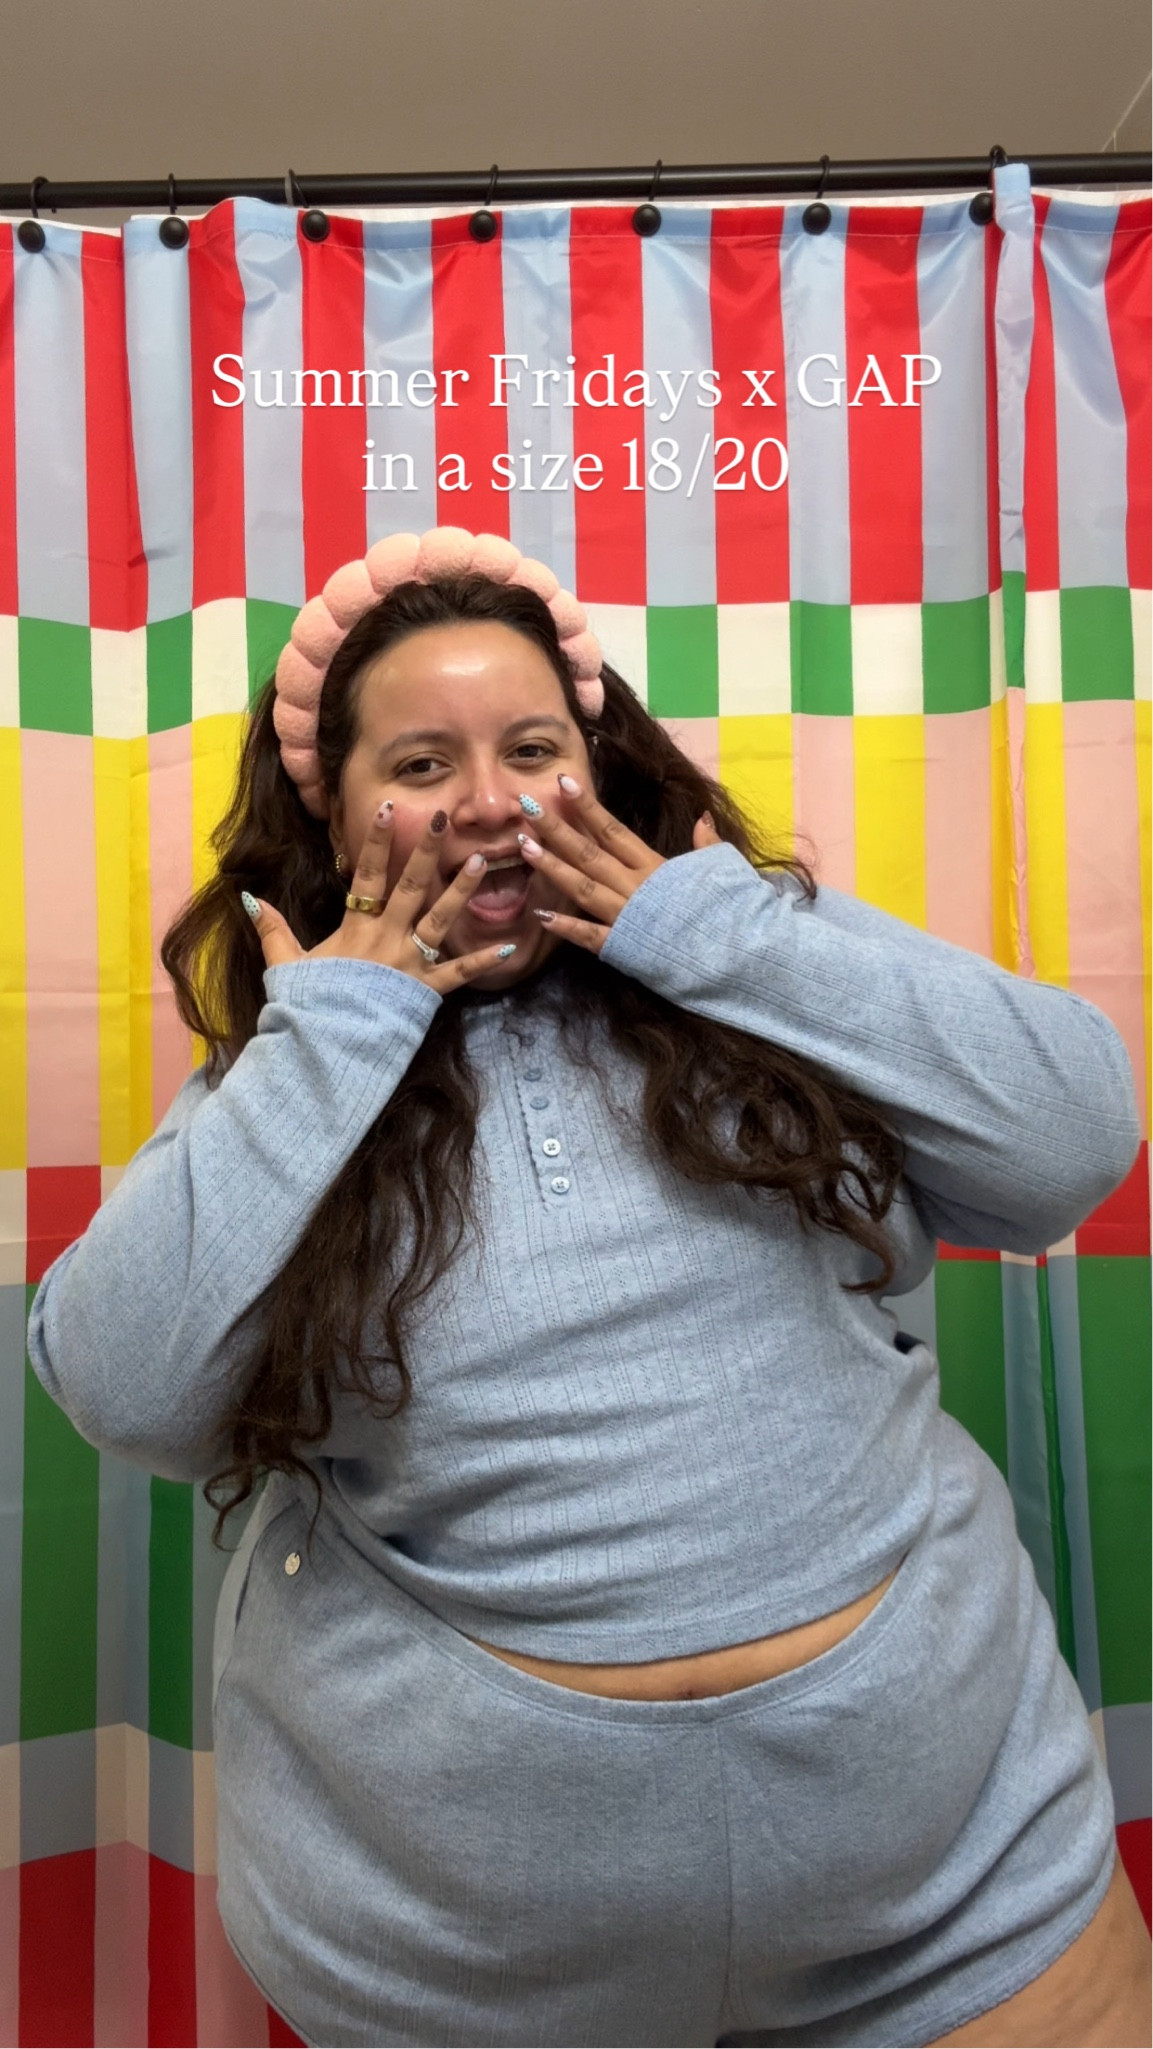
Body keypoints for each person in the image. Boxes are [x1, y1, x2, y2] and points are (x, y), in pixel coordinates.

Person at [28, 527, 1150, 2049]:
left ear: (599, 771)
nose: (490, 802)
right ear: (335, 816)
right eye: (420, 765)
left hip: (964, 1906)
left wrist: (711, 928)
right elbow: (125, 1390)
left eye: (532, 749)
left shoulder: (758, 977)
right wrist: (337, 1028)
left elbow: (1070, 1143)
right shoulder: (290, 1081)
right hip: (465, 1975)